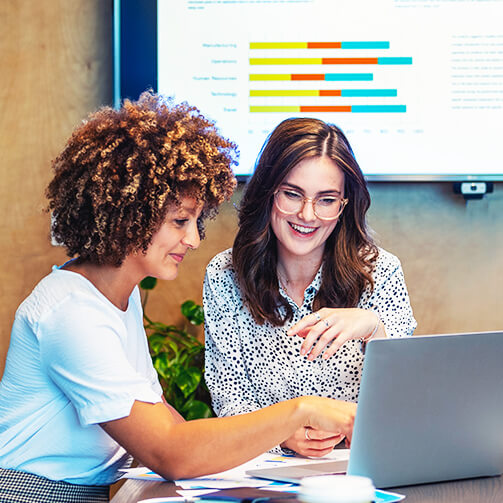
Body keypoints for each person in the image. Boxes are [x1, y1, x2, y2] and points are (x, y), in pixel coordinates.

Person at [0, 95, 357, 503]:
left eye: (195, 221)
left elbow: (167, 420)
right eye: (179, 221)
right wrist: (301, 410)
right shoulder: (71, 314)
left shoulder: (116, 294)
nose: (193, 238)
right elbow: (168, 450)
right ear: (129, 211)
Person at [204, 117, 417, 458]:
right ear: (268, 192)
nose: (307, 214)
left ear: (344, 206)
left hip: (358, 470)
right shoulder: (225, 275)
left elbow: (407, 396)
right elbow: (229, 397)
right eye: (292, 194)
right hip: (262, 471)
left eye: (326, 200)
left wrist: (373, 327)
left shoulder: (381, 271)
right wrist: (282, 435)